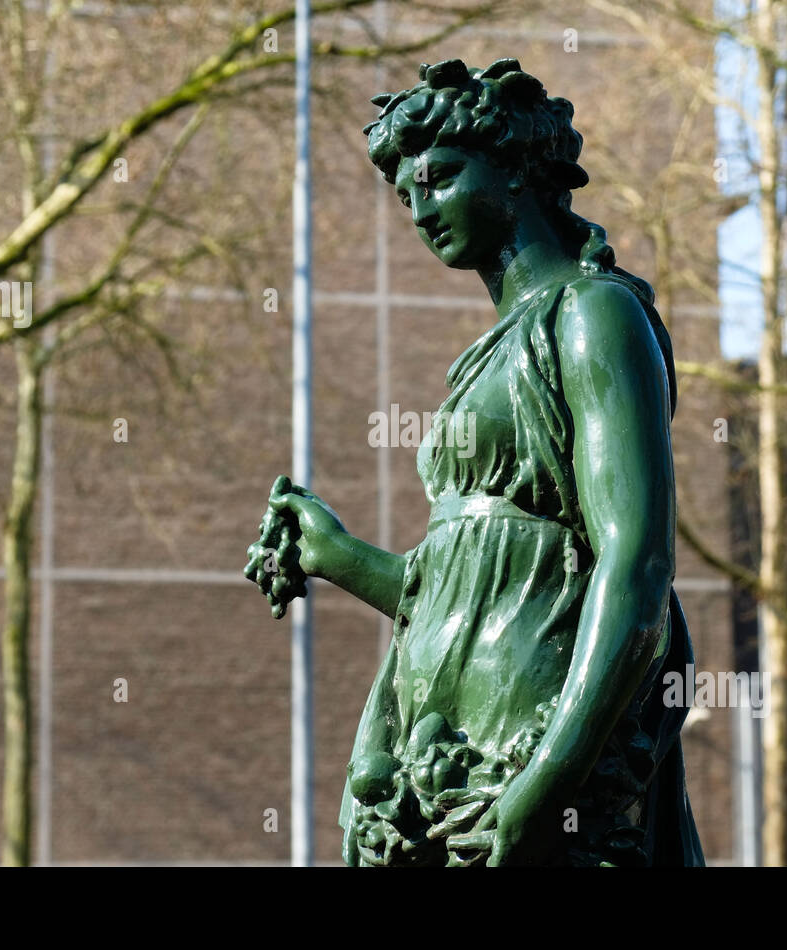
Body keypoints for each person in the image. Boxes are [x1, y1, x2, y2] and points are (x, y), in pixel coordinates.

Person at [249, 57, 704, 866]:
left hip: (527, 761)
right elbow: (469, 590)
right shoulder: (480, 362)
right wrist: (336, 555)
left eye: (442, 177)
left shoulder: (594, 315)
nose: (421, 209)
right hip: (431, 762)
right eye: (405, 195)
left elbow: (635, 564)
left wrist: (547, 776)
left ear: (518, 169)